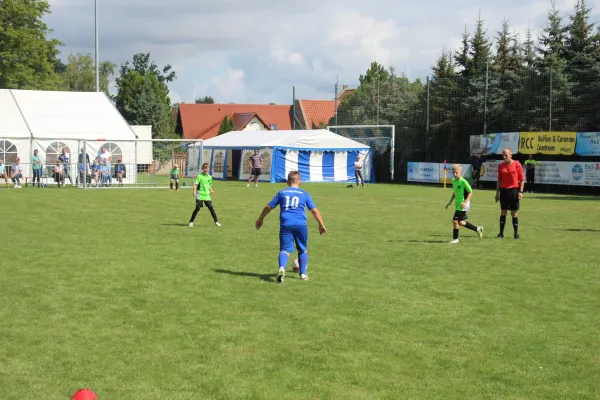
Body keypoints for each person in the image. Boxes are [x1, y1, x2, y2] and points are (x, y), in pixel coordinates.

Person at [255, 170, 327, 283]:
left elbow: (269, 206)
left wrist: (260, 218)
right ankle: (303, 274)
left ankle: (282, 268)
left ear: (288, 182)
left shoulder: (282, 193)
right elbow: (314, 210)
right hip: (301, 224)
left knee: (284, 249)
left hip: (286, 224)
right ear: (300, 182)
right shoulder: (304, 193)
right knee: (302, 249)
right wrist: (321, 225)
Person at [445, 164, 483, 244]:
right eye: (453, 173)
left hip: (463, 204)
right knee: (460, 222)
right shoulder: (453, 181)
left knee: (455, 221)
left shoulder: (463, 181)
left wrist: (465, 202)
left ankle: (455, 239)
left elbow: (470, 192)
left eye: (456, 172)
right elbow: (455, 193)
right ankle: (477, 229)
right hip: (458, 204)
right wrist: (450, 202)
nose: (455, 174)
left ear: (460, 172)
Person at [495, 148, 525, 239]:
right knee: (503, 212)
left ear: (511, 155)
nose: (504, 157)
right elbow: (499, 180)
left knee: (514, 213)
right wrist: (497, 193)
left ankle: (516, 234)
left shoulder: (517, 165)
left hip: (514, 191)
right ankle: (501, 234)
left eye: (506, 155)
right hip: (504, 191)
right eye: (503, 155)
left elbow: (522, 179)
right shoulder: (500, 166)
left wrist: (520, 191)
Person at [189, 163, 221, 227]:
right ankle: (191, 222)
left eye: (207, 168)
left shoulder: (210, 177)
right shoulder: (199, 176)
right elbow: (195, 184)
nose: (206, 169)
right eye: (205, 168)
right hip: (200, 194)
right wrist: (194, 191)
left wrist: (211, 190)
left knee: (211, 208)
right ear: (202, 169)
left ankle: (216, 222)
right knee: (197, 208)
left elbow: (209, 185)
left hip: (207, 195)